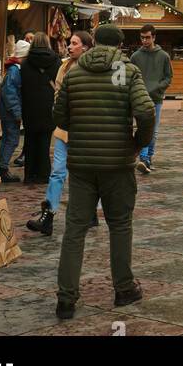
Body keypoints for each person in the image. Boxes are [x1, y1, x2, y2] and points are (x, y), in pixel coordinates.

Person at [53, 23, 155, 320]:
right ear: (121, 44)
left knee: (75, 229)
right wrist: (138, 143)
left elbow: (59, 115)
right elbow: (146, 111)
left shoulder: (75, 72)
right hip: (117, 164)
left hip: (82, 164)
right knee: (120, 224)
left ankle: (66, 298)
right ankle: (124, 288)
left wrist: (81, 131)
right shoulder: (126, 72)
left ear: (94, 42)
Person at [27, 30, 93, 236]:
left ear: (85, 47)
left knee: (82, 173)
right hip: (64, 128)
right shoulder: (63, 66)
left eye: (74, 43)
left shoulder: (92, 68)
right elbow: (57, 92)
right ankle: (49, 215)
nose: (70, 46)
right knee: (57, 172)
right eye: (70, 43)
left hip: (84, 130)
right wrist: (60, 113)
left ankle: (90, 211)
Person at [130, 24, 173, 174]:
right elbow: (131, 76)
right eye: (142, 38)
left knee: (153, 131)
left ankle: (147, 157)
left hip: (155, 98)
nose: (145, 41)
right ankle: (144, 158)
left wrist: (157, 88)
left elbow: (168, 77)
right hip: (139, 99)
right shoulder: (135, 57)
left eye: (147, 37)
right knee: (142, 128)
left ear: (154, 37)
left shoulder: (163, 56)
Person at [20, 31, 60, 184]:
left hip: (30, 105)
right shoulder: (56, 62)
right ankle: (43, 174)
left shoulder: (25, 63)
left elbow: (22, 85)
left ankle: (30, 175)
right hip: (48, 105)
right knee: (44, 141)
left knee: (30, 141)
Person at [0, 37, 29, 180]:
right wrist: (17, 112)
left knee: (7, 139)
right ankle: (3, 168)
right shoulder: (15, 70)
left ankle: (1, 166)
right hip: (10, 111)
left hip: (6, 110)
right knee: (12, 139)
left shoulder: (13, 69)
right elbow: (9, 93)